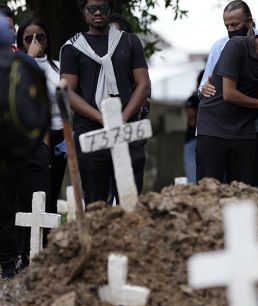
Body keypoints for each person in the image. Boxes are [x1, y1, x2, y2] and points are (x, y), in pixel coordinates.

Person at [60, 0, 150, 206]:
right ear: (83, 11)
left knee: (131, 204)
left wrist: (122, 119)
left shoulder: (129, 41)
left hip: (126, 131)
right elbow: (68, 92)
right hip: (91, 132)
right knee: (96, 205)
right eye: (92, 8)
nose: (98, 12)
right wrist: (103, 118)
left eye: (103, 8)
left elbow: (143, 84)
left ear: (111, 10)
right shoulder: (72, 48)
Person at [195, 22, 258, 185]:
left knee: (242, 194)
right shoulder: (237, 46)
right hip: (213, 129)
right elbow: (229, 94)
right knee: (209, 192)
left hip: (245, 133)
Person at [0, 13, 51, 279]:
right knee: (4, 207)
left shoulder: (23, 62)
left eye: (9, 28)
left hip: (30, 147)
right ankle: (8, 265)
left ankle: (32, 261)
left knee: (35, 204)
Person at [16, 17, 66, 219]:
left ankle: (49, 242)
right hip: (34, 138)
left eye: (41, 37)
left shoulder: (59, 67)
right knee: (34, 193)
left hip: (60, 136)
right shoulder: (18, 69)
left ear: (48, 40)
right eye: (29, 38)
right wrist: (29, 57)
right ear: (21, 44)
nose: (36, 41)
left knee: (53, 190)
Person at [183, 72, 202, 183]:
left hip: (205, 139)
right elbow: (191, 119)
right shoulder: (193, 99)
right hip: (192, 139)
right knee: (192, 177)